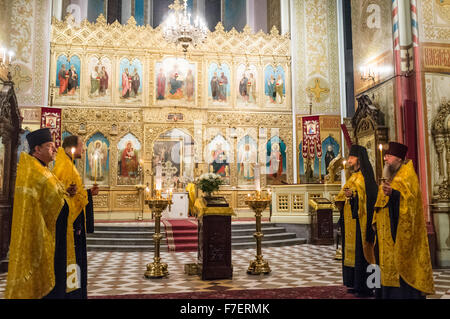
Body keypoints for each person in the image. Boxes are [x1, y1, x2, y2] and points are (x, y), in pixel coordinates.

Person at [5, 128, 76, 299]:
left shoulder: (43, 169)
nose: (54, 149)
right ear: (37, 149)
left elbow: (50, 195)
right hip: (45, 237)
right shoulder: (34, 171)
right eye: (50, 146)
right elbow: (37, 204)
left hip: (56, 235)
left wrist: (65, 192)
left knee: (59, 276)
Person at [373, 142, 435, 299]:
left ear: (399, 159)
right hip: (385, 234)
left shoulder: (407, 176)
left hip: (400, 235)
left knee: (399, 271)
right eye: (385, 155)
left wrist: (394, 194)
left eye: (389, 156)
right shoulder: (390, 176)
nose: (385, 158)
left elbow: (410, 203)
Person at [52, 135, 99, 299]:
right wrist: (75, 193)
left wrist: (88, 194)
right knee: (71, 260)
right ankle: (72, 294)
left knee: (76, 261)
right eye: (81, 145)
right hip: (70, 226)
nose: (83, 149)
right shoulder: (65, 167)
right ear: (72, 147)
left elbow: (73, 194)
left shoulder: (68, 165)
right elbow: (62, 195)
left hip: (73, 224)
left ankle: (75, 292)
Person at [335, 144, 377, 297]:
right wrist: (342, 198)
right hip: (350, 222)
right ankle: (354, 283)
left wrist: (354, 196)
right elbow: (343, 194)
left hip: (361, 223)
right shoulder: (353, 177)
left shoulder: (365, 178)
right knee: (352, 253)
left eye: (352, 157)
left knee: (363, 253)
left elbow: (368, 198)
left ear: (359, 159)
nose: (349, 160)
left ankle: (367, 286)